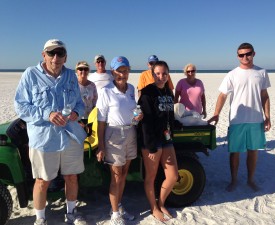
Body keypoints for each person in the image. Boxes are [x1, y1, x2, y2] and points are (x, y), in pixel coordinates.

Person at [14, 39, 87, 225]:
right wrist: (48, 114)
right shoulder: (30, 74)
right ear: (43, 55)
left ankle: (71, 213)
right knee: (42, 180)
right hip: (44, 139)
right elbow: (21, 106)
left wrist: (76, 113)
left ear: (65, 57)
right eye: (51, 53)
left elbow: (80, 103)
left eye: (60, 53)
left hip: (70, 135)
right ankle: (40, 219)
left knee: (71, 177)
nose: (55, 58)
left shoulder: (71, 75)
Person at [208, 42, 271, 192]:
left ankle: (250, 180)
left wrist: (267, 116)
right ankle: (234, 180)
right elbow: (222, 95)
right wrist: (217, 114)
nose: (245, 57)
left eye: (248, 54)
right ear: (238, 56)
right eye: (242, 55)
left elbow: (265, 96)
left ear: (253, 54)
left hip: (256, 119)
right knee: (234, 152)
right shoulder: (232, 74)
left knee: (253, 151)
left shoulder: (261, 72)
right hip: (237, 119)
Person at [96, 56, 143, 225]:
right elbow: (101, 121)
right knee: (115, 177)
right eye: (119, 71)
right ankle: (115, 214)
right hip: (113, 135)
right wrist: (101, 146)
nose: (122, 74)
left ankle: (117, 206)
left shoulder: (131, 89)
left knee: (123, 174)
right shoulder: (106, 91)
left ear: (129, 71)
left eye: (125, 70)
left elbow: (133, 113)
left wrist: (137, 118)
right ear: (112, 72)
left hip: (130, 132)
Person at [138, 61, 178, 222]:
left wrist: (175, 127)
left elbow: (170, 115)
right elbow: (144, 123)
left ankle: (161, 203)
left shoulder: (168, 92)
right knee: (151, 177)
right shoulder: (147, 93)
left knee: (173, 175)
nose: (161, 77)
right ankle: (153, 208)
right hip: (152, 142)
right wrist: (151, 146)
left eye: (164, 74)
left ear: (168, 75)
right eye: (158, 74)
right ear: (152, 75)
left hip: (166, 138)